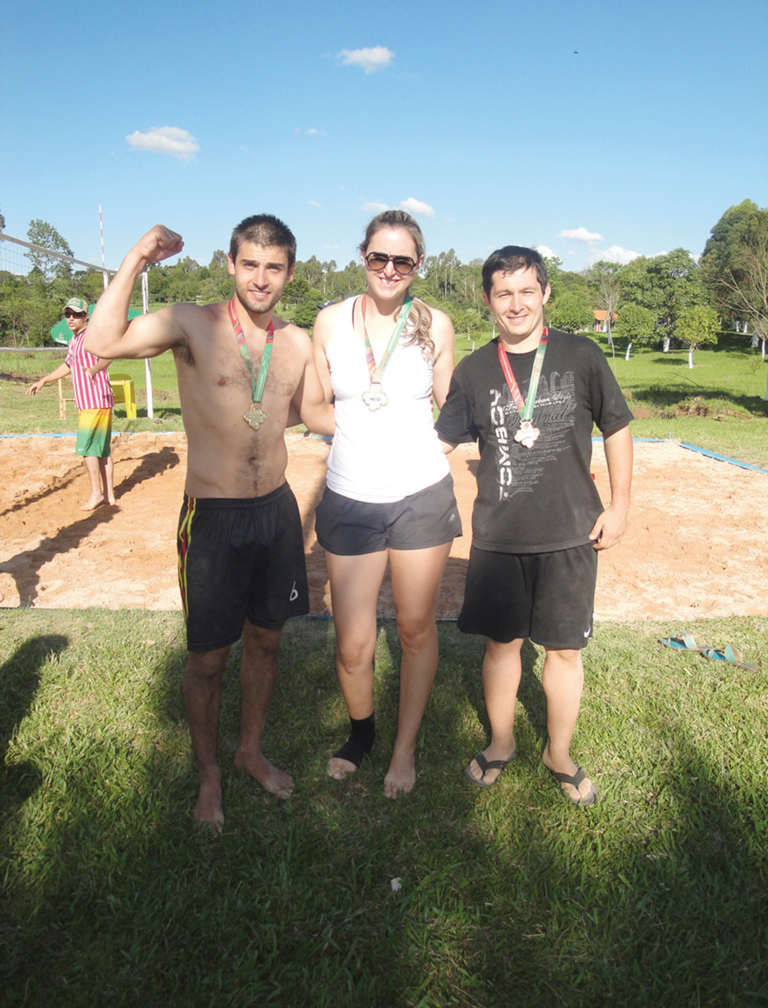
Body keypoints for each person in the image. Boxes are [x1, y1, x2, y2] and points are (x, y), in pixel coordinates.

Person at [85, 216, 335, 830]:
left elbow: (319, 414)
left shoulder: (298, 343)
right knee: (206, 658)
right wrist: (139, 255)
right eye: (249, 263)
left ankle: (249, 751)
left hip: (275, 512)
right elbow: (101, 342)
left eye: (273, 267)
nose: (260, 278)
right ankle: (209, 776)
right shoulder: (190, 322)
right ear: (230, 264)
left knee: (267, 640)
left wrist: (397, 409)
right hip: (213, 517)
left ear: (290, 273)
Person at [435, 246, 633, 806]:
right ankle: (501, 743)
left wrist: (619, 507)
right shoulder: (473, 371)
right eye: (504, 293)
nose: (516, 304)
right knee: (502, 646)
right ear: (488, 300)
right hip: (499, 538)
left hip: (572, 533)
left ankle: (559, 753)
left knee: (565, 652)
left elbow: (617, 427)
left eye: (527, 291)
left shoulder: (581, 355)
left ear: (545, 293)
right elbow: (440, 443)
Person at [312, 209, 461, 799]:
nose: (390, 269)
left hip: (420, 494)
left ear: (418, 264)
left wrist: (425, 443)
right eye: (380, 257)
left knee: (415, 625)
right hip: (349, 495)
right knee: (352, 641)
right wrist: (357, 427)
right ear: (363, 256)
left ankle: (404, 749)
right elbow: (312, 407)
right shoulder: (329, 322)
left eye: (403, 259)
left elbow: (450, 407)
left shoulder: (436, 324)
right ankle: (362, 733)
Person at [26, 298, 116, 511]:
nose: (71, 319)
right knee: (102, 450)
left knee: (87, 449)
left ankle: (96, 494)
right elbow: (68, 365)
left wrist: (94, 370)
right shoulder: (75, 340)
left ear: (86, 316)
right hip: (96, 401)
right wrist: (44, 380)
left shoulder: (91, 336)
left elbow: (110, 355)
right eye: (67, 314)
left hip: (95, 400)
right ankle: (109, 495)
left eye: (75, 314)